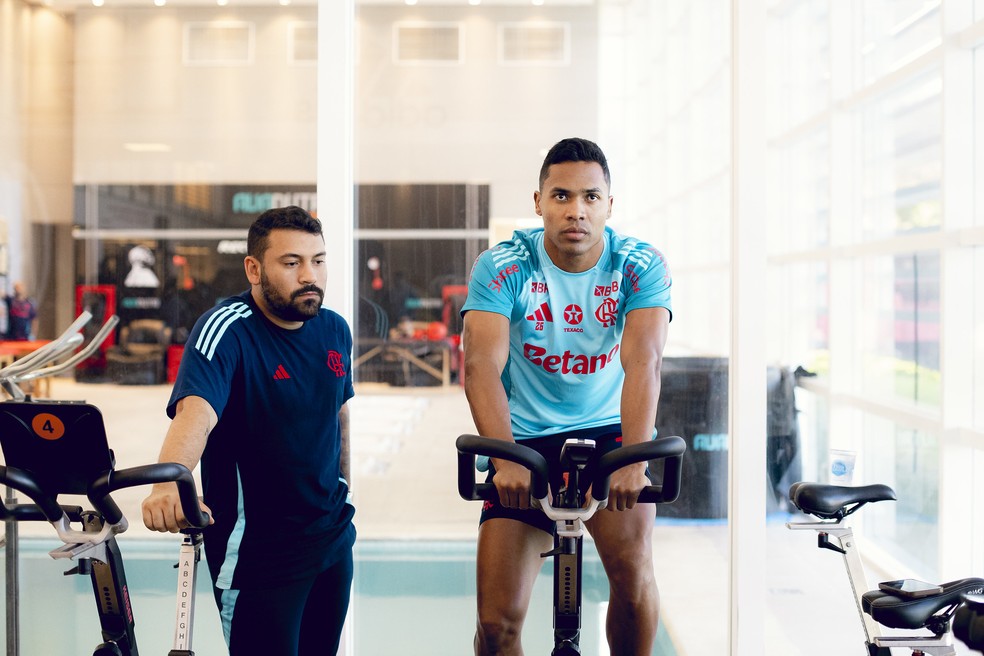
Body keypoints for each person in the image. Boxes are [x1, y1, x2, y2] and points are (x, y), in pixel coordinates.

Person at [460, 137, 672, 656]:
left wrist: (633, 460)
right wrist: (501, 455)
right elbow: (481, 365)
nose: (575, 210)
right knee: (496, 624)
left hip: (610, 433)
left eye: (590, 197)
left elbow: (644, 361)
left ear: (609, 205)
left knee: (632, 576)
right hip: (524, 440)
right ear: (538, 202)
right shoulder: (504, 265)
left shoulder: (639, 264)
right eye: (560, 196)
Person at [141, 206, 356, 656]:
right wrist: (168, 479)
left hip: (331, 543)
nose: (309, 275)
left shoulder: (334, 330)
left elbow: (339, 416)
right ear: (254, 269)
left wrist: (345, 490)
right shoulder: (227, 330)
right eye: (291, 262)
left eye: (318, 260)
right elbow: (195, 412)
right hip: (259, 559)